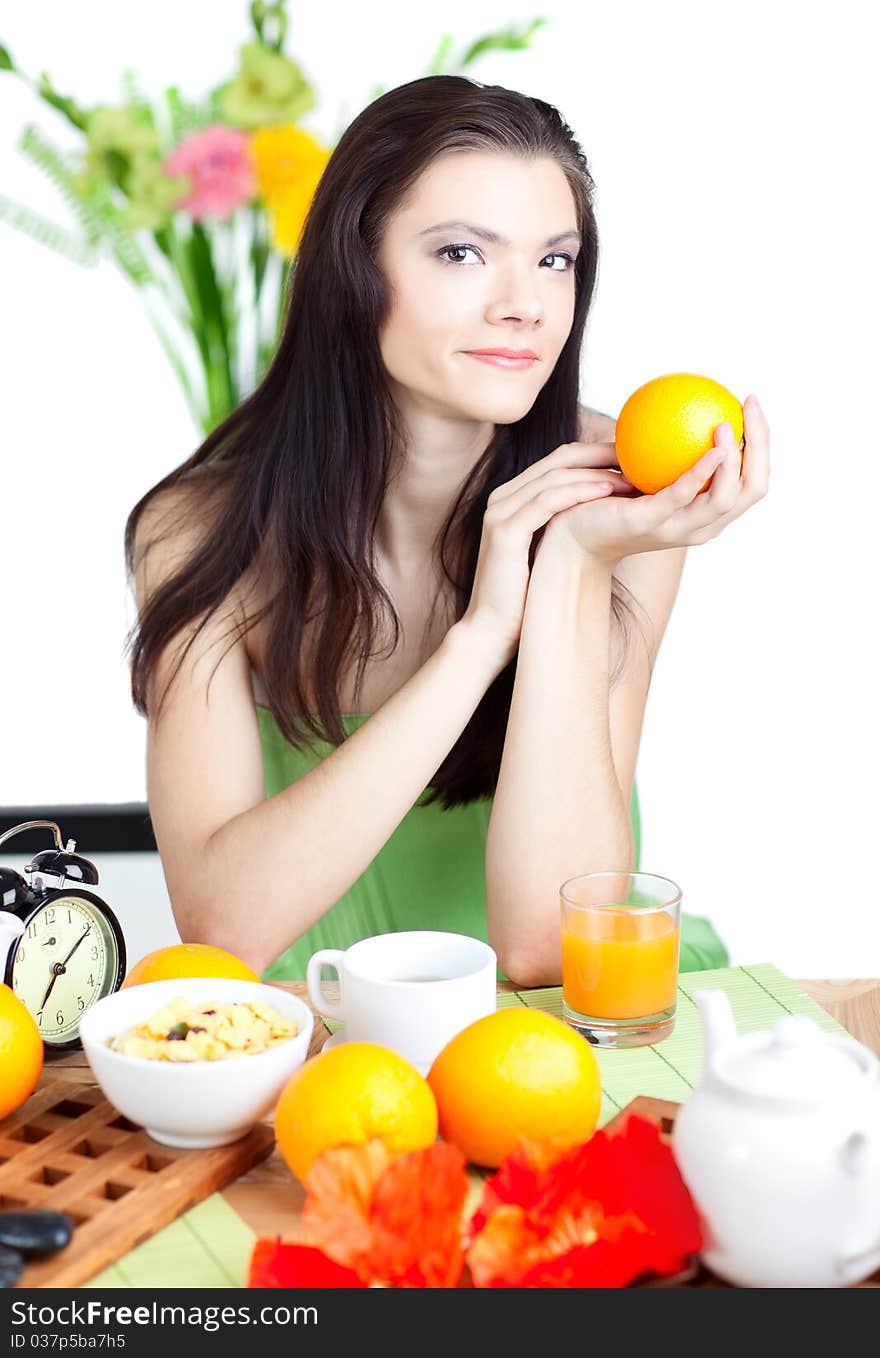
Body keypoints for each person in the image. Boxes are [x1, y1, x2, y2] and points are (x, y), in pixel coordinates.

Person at [124, 75, 768, 987]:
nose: (526, 304)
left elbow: (551, 949)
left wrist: (574, 565)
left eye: (556, 259)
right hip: (328, 1057)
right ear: (355, 267)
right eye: (464, 253)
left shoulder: (621, 502)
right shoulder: (199, 533)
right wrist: (478, 639)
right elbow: (224, 929)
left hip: (550, 1046)